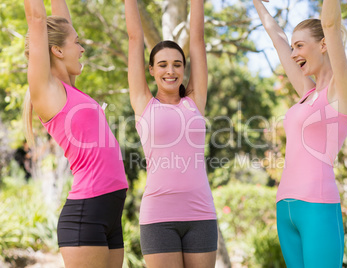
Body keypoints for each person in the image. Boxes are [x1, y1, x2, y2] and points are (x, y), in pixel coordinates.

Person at [23, 0, 128, 267]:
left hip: (110, 212)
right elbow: (37, 18)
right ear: (57, 50)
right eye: (77, 42)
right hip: (87, 213)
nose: (82, 49)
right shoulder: (48, 91)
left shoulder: (73, 90)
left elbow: (62, 18)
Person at [253, 0, 347, 267]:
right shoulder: (306, 92)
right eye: (293, 46)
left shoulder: (340, 91)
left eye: (300, 46)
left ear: (323, 45)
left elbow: (331, 24)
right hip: (285, 206)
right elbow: (277, 38)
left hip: (317, 205)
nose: (294, 52)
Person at [124, 0, 217, 267]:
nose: (170, 70)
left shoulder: (195, 101)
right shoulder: (143, 103)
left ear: (184, 69)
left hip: (201, 214)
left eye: (177, 64)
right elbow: (134, 39)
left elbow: (197, 40)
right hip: (158, 217)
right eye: (162, 64)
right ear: (151, 70)